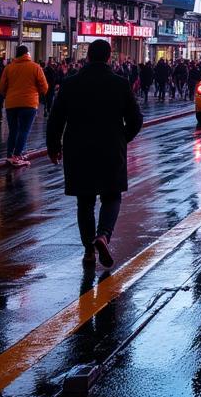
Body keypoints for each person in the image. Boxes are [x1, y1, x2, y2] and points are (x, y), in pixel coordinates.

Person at [47, 39, 144, 269]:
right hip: (111, 148)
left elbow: (55, 119)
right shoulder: (120, 83)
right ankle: (103, 235)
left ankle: (89, 249)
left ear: (87, 56)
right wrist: (123, 137)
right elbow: (136, 120)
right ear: (109, 57)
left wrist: (54, 147)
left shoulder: (70, 84)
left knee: (85, 201)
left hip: (78, 150)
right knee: (112, 195)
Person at [0, 45, 49, 167]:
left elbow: (1, 87)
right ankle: (17, 155)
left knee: (13, 130)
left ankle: (10, 155)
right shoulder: (35, 67)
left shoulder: (9, 68)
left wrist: (9, 94)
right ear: (27, 54)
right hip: (29, 103)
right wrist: (36, 92)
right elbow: (45, 87)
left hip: (11, 103)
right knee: (24, 131)